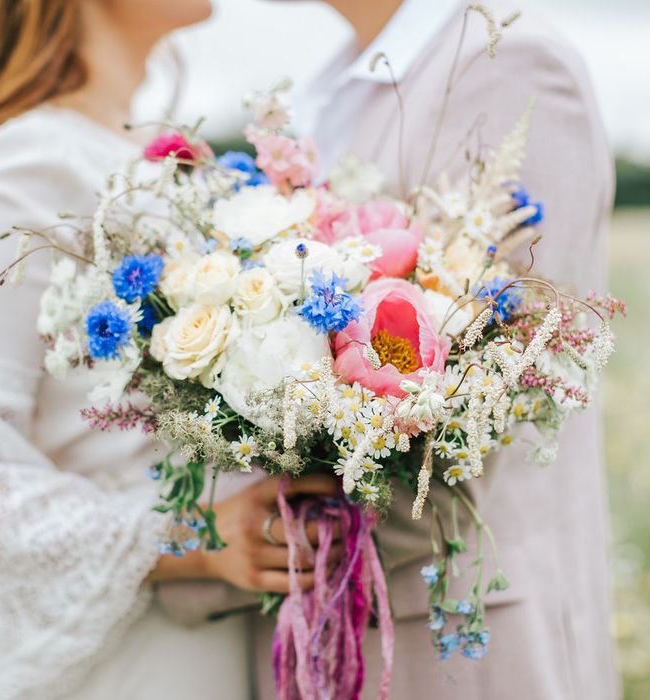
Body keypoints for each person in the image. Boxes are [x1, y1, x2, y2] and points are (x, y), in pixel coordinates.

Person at [0, 2, 339, 698]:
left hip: (210, 642)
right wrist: (183, 539)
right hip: (126, 663)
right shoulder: (33, 161)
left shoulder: (143, 162)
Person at [250, 0, 619, 697]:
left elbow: (508, 395)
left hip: (460, 640)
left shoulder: (508, 64)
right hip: (326, 627)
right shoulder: (337, 82)